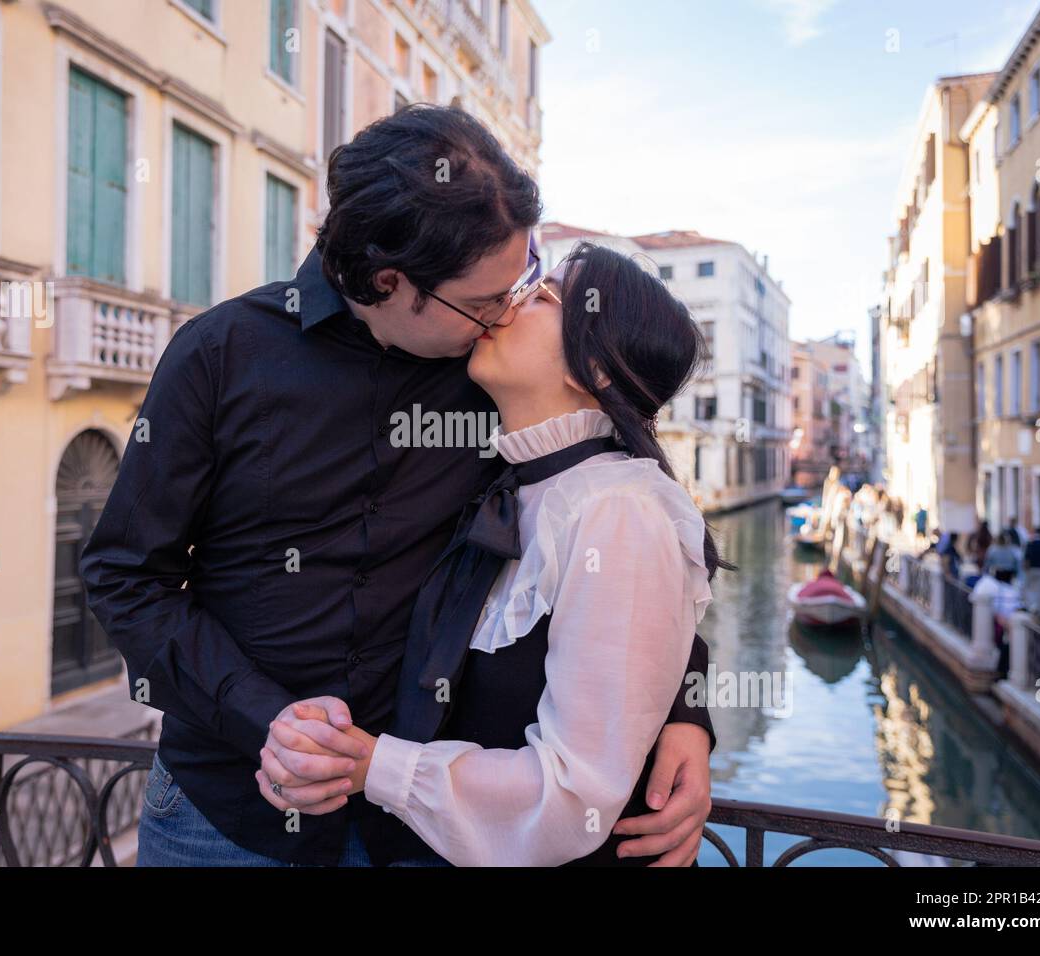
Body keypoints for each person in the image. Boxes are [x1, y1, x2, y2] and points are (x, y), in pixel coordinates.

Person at [80, 105, 716, 867]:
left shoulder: (495, 379)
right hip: (221, 813)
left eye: (525, 287)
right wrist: (266, 719)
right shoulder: (219, 354)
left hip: (413, 832)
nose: (502, 313)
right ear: (392, 282)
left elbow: (619, 536)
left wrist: (685, 710)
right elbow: (125, 575)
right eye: (484, 300)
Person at [258, 242, 731, 866]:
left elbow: (573, 791)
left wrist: (373, 765)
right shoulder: (517, 470)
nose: (507, 304)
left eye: (541, 296)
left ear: (595, 371)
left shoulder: (619, 510)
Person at [1022, 525, 1040, 613]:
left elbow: (1026, 558)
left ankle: (1031, 605)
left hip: (1032, 569)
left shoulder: (1030, 544)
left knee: (1028, 588)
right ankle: (1037, 607)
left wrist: (1025, 568)